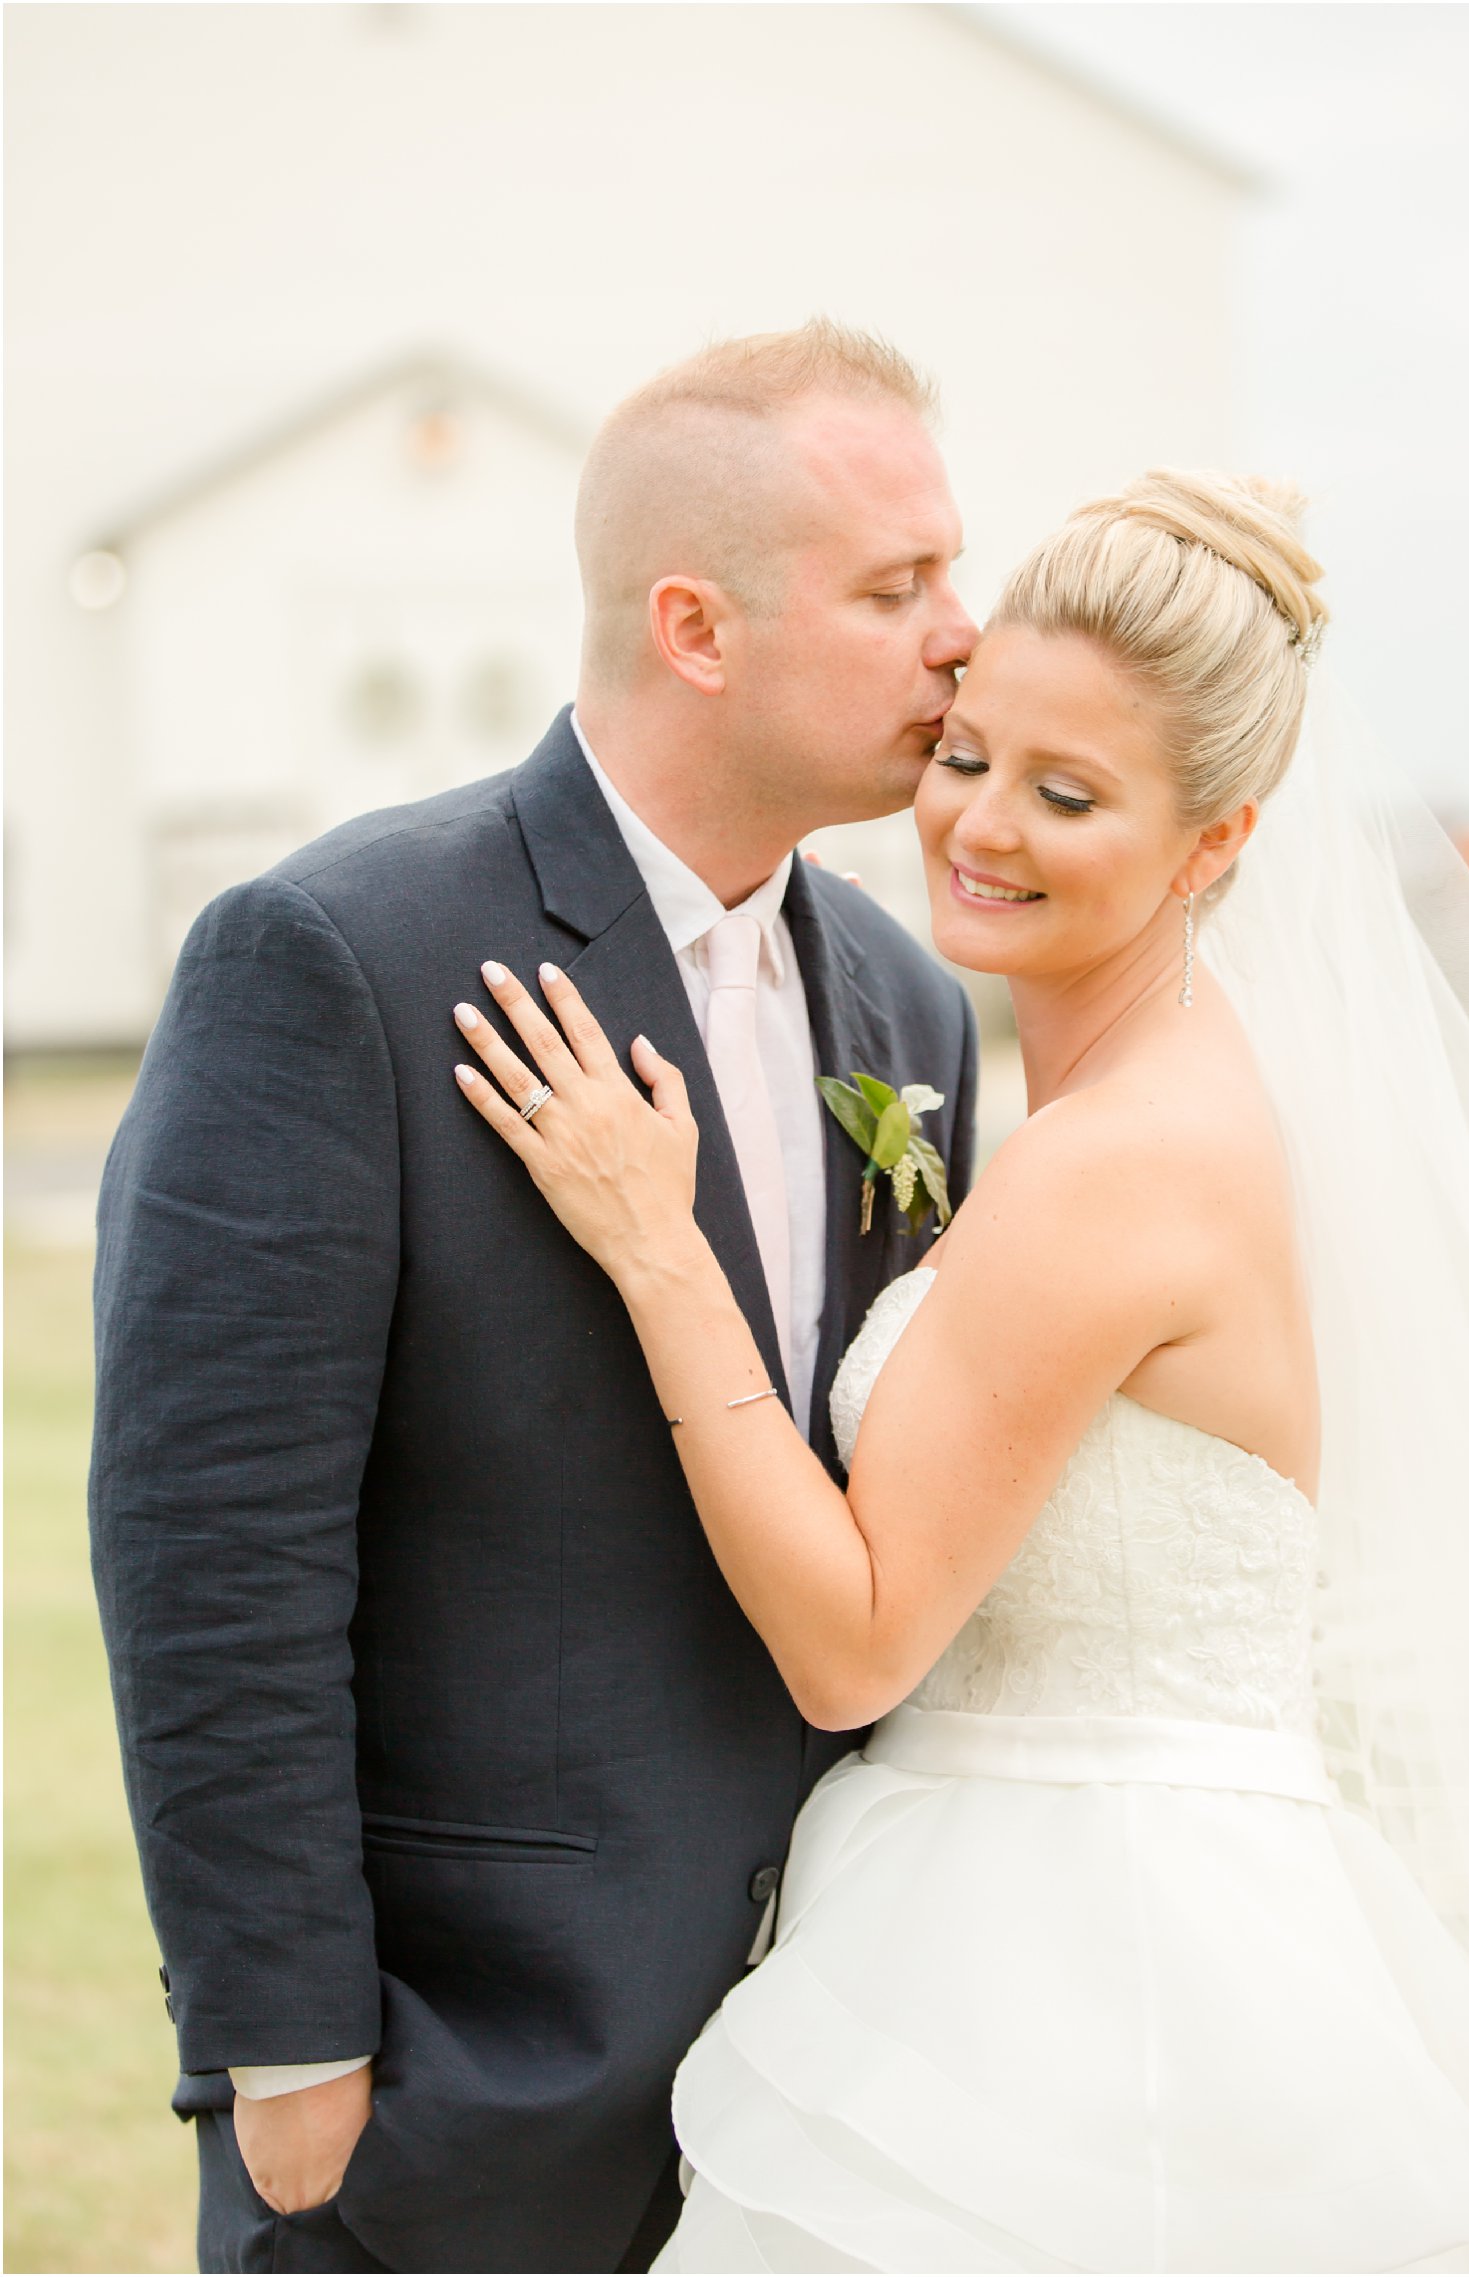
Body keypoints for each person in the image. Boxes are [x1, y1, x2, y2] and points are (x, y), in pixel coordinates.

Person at [448, 470, 1469, 2272]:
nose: (980, 825)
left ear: (1218, 840)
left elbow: (859, 1637)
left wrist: (658, 1246)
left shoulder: (1123, 1164)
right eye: (970, 757)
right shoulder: (1143, 1097)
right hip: (1094, 1891)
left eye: (1068, 793)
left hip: (1091, 1977)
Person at [88, 321, 981, 2274]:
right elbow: (211, 1542)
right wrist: (289, 2036)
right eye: (898, 585)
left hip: (836, 2070)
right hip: (462, 2082)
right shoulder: (337, 953)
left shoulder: (908, 1015)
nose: (960, 637)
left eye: (954, 578)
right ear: (696, 625)